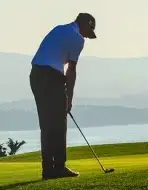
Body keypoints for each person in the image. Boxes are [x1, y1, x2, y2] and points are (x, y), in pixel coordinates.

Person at [29, 13, 97, 179]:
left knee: (46, 124)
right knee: (59, 122)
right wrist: (69, 99)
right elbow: (71, 71)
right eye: (88, 32)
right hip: (51, 75)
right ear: (85, 25)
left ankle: (47, 169)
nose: (87, 37)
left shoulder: (59, 29)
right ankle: (59, 167)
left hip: (36, 74)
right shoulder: (77, 38)